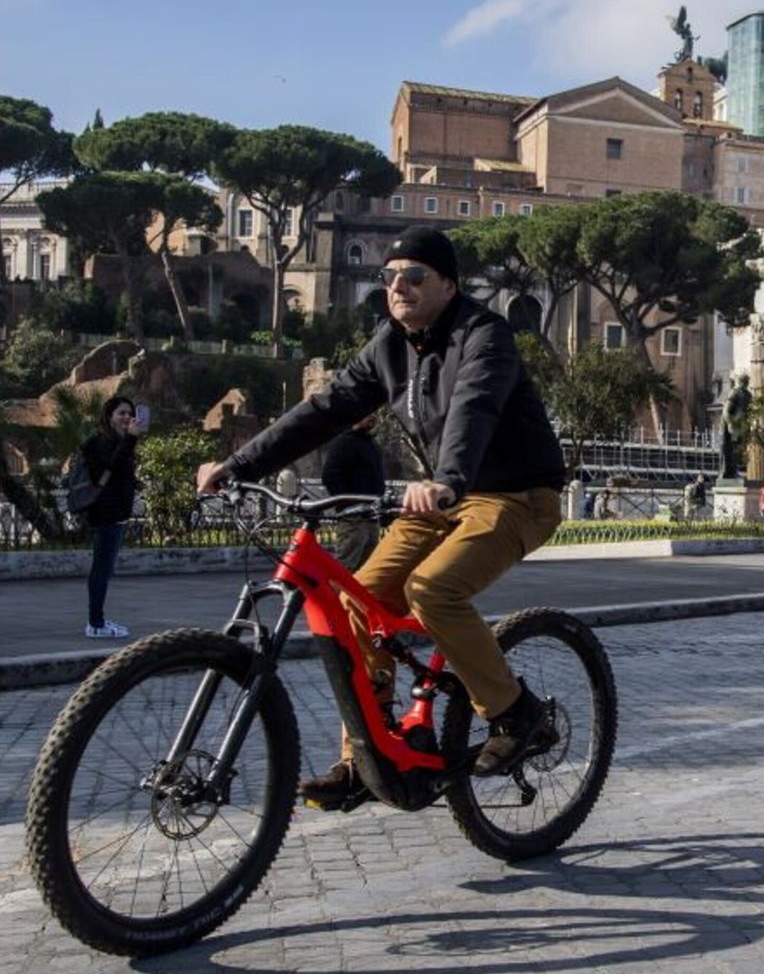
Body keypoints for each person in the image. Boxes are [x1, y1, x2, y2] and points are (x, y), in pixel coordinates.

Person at [195, 226, 567, 806]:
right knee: (356, 600)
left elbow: (474, 405)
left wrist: (447, 479)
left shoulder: (483, 335)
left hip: (515, 496)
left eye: (414, 277)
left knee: (432, 590)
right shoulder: (388, 346)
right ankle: (365, 759)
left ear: (447, 284)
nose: (399, 287)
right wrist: (239, 465)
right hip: (438, 499)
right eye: (389, 277)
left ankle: (517, 715)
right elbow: (322, 410)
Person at [82, 396, 145, 639]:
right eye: (121, 413)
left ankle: (98, 621)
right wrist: (131, 439)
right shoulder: (101, 441)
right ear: (109, 416)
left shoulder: (118, 441)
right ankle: (95, 624)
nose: (127, 417)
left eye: (130, 413)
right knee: (101, 568)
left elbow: (119, 471)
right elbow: (108, 468)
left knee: (105, 569)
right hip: (105, 512)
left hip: (116, 511)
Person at [320, 413, 387, 572]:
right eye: (367, 413)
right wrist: (347, 504)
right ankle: (334, 597)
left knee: (367, 570)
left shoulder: (372, 445)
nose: (372, 416)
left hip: (371, 516)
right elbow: (330, 475)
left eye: (374, 413)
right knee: (344, 568)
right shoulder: (344, 442)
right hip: (353, 518)